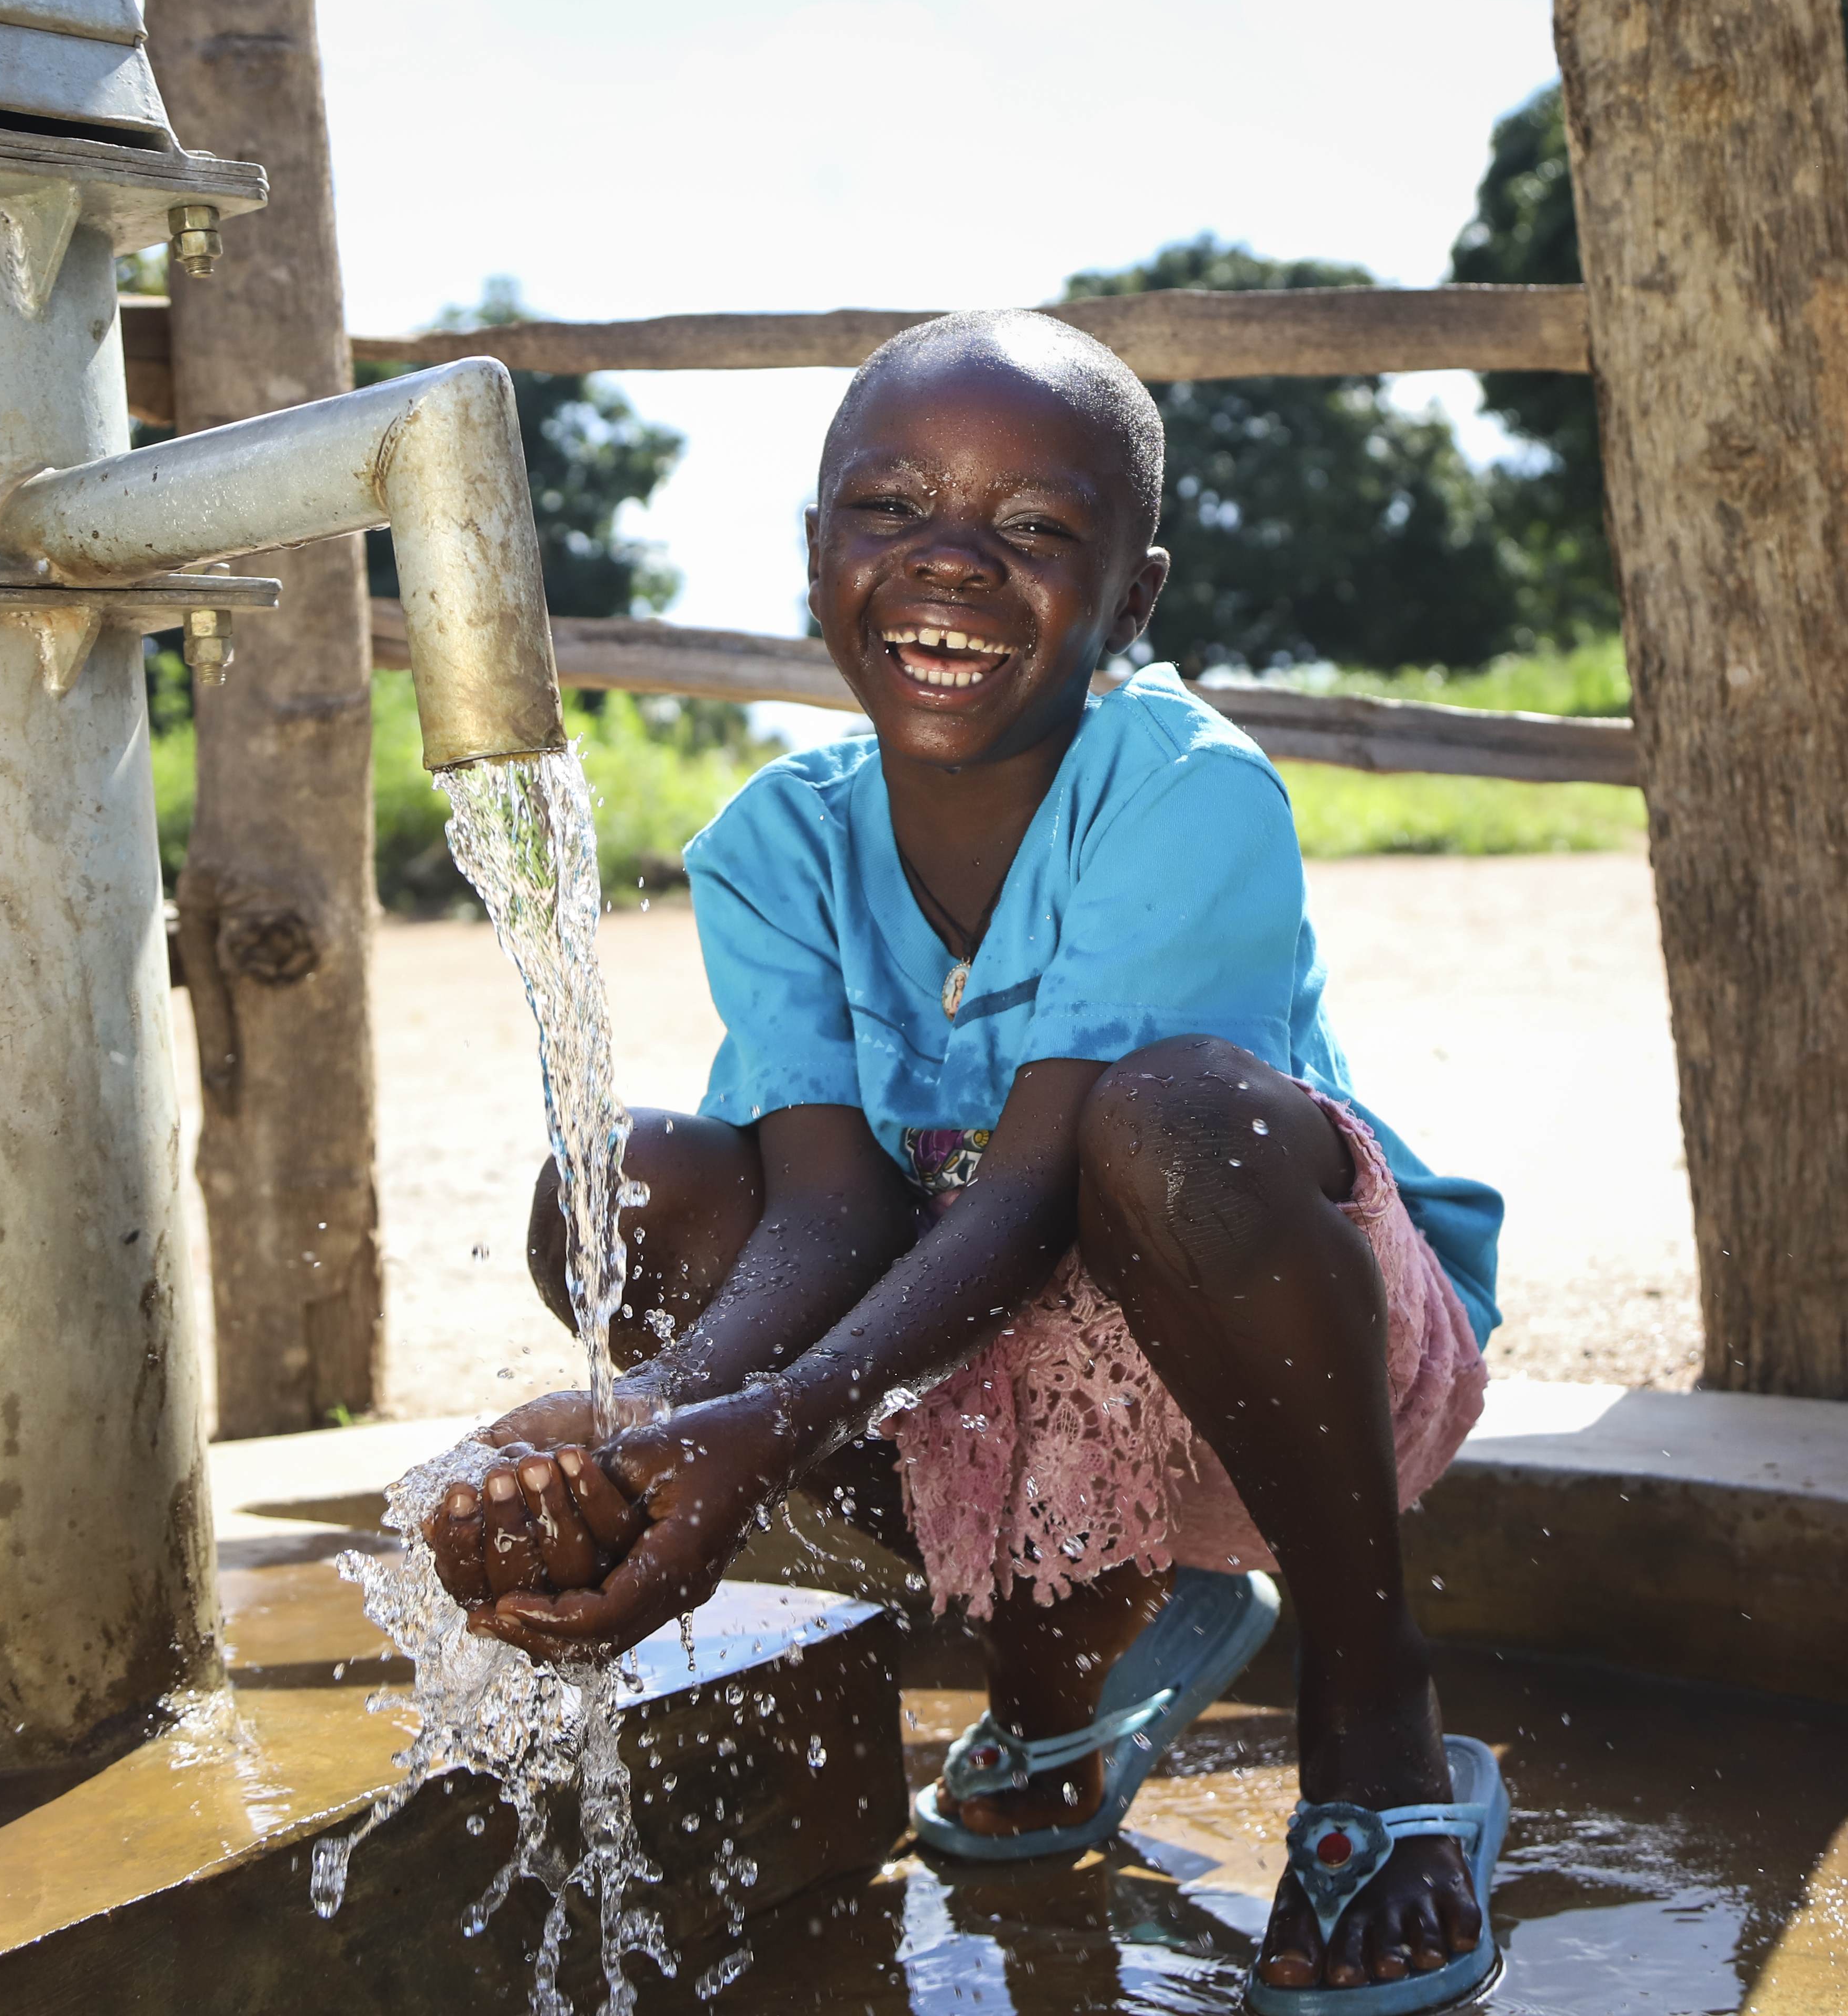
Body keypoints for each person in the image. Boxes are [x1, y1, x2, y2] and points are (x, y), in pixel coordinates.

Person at [424, 310, 1511, 2006]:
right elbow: (839, 1207)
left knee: (1173, 1118)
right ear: (812, 556)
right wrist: (659, 1419)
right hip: (988, 1364)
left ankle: (1380, 1726)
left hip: (1291, 1349)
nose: (951, 567)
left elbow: (1030, 1190)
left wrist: (765, 1424)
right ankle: (1063, 1679)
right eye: (891, 511)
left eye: (1035, 532)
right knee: (620, 1193)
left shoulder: (1183, 792)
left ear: (1133, 600)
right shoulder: (780, 844)